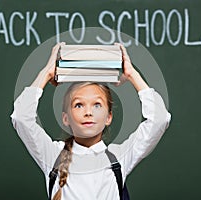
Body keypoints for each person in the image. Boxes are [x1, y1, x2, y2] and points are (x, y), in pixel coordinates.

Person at [10, 42, 171, 200]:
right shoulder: (53, 155)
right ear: (65, 118)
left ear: (109, 117)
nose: (88, 112)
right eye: (78, 105)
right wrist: (46, 73)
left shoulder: (119, 157)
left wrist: (132, 75)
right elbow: (21, 117)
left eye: (97, 105)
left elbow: (159, 119)